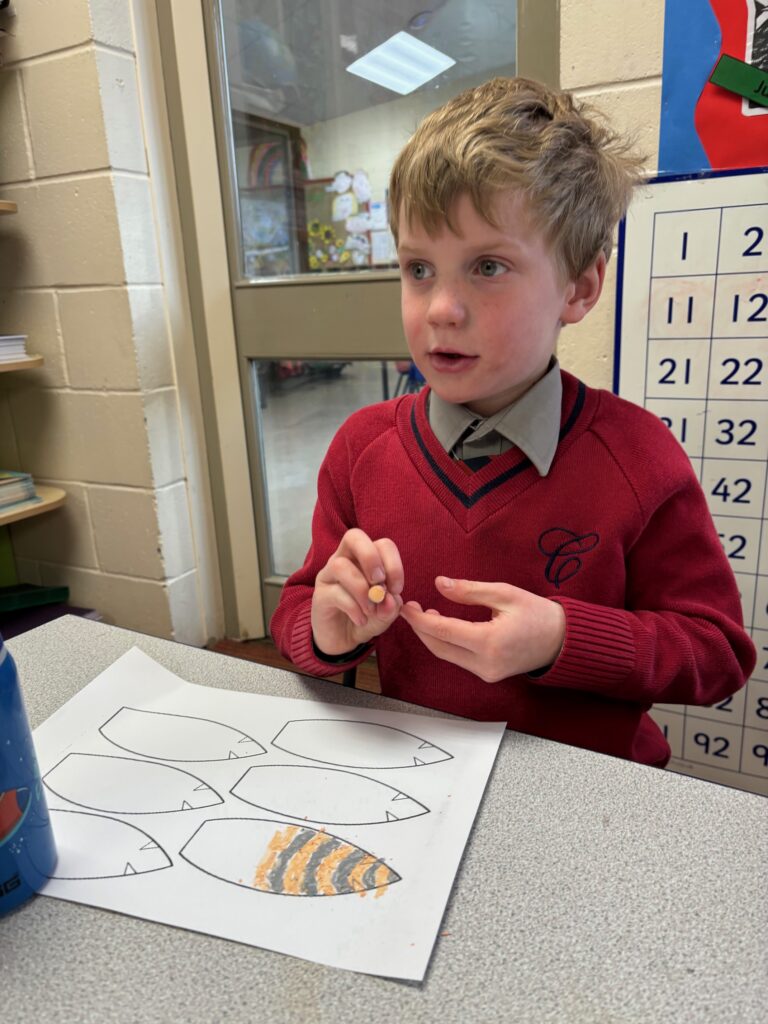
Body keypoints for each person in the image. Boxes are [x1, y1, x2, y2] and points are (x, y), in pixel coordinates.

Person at [270, 76, 755, 767]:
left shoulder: (639, 458)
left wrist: (563, 639)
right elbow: (299, 609)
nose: (440, 308)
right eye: (418, 269)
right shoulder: (362, 448)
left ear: (580, 288)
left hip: (589, 799)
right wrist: (326, 630)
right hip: (420, 784)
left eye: (487, 266)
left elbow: (716, 654)